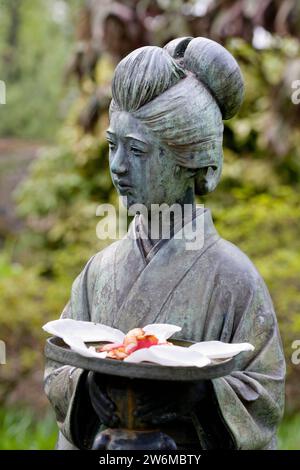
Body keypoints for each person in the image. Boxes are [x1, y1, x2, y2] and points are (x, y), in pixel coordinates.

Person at [44, 37, 285, 450]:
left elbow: (265, 394)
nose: (118, 166)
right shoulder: (98, 272)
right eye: (112, 145)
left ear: (189, 162)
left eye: (137, 150)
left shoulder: (233, 277)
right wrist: (88, 389)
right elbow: (58, 366)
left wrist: (200, 396)